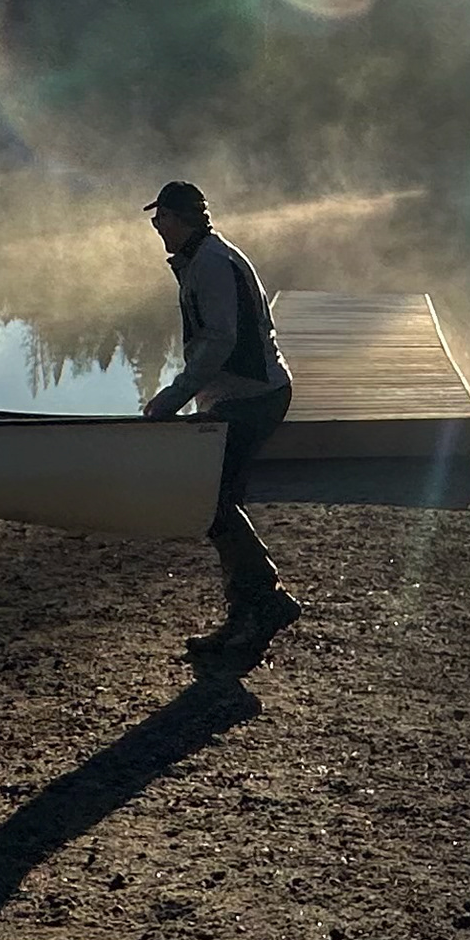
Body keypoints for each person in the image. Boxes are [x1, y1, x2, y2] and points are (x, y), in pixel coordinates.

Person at [138, 178, 301, 658]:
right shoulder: (204, 256)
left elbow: (220, 341)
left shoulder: (208, 263)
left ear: (178, 219)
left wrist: (173, 397)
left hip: (254, 396)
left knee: (212, 499)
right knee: (218, 498)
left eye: (159, 218)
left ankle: (258, 606)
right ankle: (263, 601)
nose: (156, 228)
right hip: (245, 395)